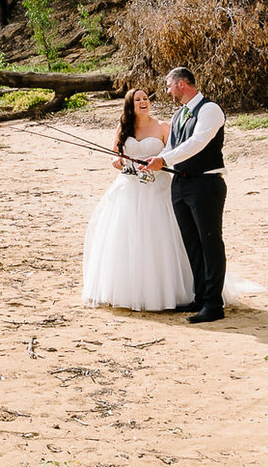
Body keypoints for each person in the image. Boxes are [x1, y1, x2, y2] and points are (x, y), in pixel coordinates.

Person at [80, 89, 195, 311]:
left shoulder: (162, 127)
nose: (143, 102)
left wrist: (158, 163)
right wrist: (116, 161)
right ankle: (129, 290)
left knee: (160, 236)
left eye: (145, 99)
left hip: (157, 189)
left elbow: (174, 155)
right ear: (130, 105)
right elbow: (116, 153)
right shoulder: (123, 127)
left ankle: (168, 291)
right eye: (137, 100)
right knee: (126, 237)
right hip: (129, 188)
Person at [139, 66, 236, 323]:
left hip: (206, 184)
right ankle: (200, 297)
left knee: (210, 243)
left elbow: (196, 144)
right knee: (191, 244)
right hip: (180, 184)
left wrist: (163, 159)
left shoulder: (210, 110)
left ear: (182, 84)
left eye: (169, 86)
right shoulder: (179, 114)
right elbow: (172, 146)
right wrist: (154, 161)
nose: (168, 91)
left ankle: (214, 305)